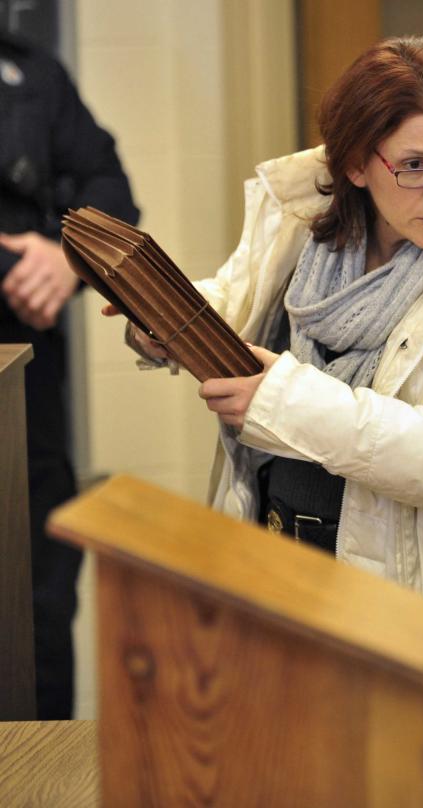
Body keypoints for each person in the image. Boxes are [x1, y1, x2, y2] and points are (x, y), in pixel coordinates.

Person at [117, 36, 423, 806]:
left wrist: (283, 400)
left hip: (419, 595)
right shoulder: (311, 219)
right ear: (357, 164)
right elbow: (240, 301)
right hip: (278, 572)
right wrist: (160, 323)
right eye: (416, 166)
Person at [0, 30, 139, 720]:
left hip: (24, 387)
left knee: (37, 597)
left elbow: (110, 189)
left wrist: (66, 258)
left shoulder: (31, 72)